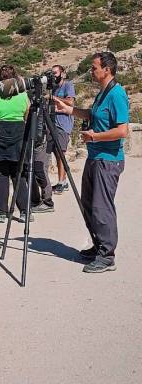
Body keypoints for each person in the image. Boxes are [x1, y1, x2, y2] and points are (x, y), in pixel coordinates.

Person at [54, 52, 129, 273]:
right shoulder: (102, 94)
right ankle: (98, 246)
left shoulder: (116, 94)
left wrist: (94, 136)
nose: (91, 71)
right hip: (95, 157)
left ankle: (107, 256)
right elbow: (92, 115)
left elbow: (122, 130)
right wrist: (69, 110)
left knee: (101, 207)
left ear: (107, 69)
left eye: (94, 67)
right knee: (89, 203)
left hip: (108, 160)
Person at [0, 65, 32, 223]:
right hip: (18, 135)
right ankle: (25, 212)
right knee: (19, 174)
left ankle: (1, 212)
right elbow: (28, 115)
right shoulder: (23, 95)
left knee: (1, 174)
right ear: (15, 78)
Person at [49, 65, 76, 194]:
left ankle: (61, 182)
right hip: (53, 124)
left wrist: (55, 99)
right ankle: (63, 181)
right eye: (52, 73)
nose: (54, 75)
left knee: (61, 153)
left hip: (63, 124)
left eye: (55, 73)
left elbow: (70, 102)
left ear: (62, 73)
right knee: (56, 152)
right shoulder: (53, 88)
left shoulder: (68, 85)